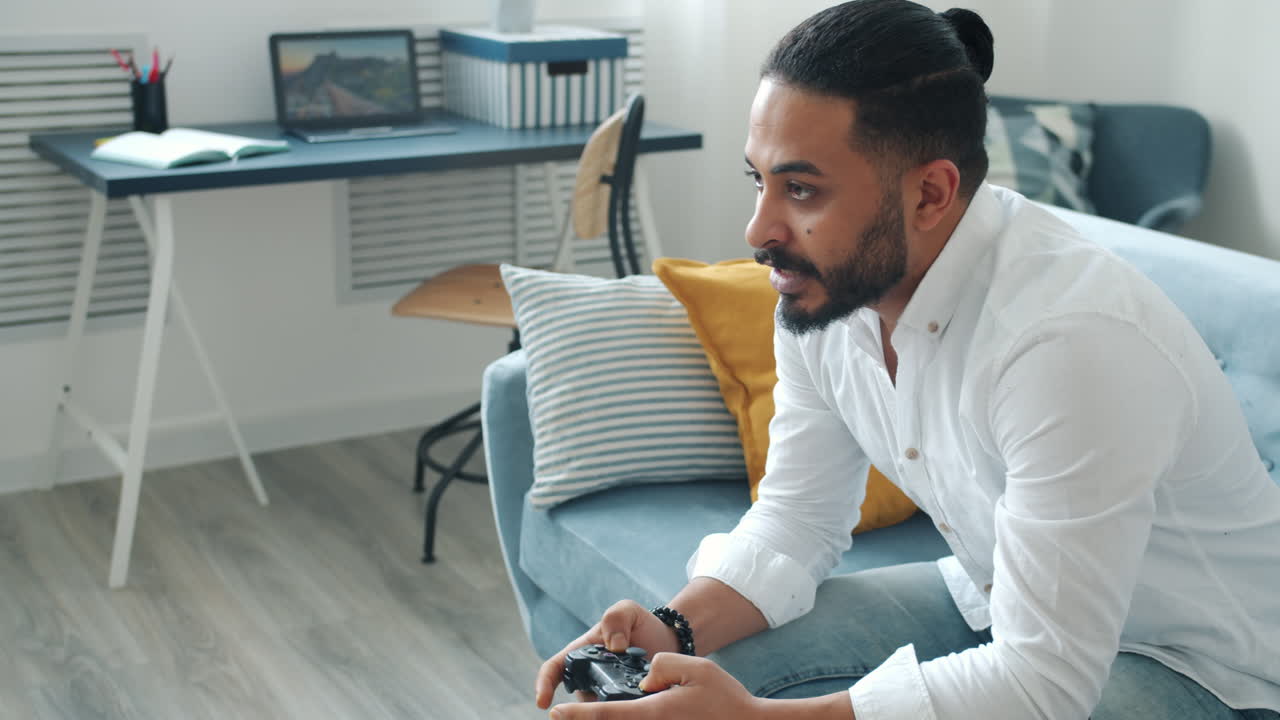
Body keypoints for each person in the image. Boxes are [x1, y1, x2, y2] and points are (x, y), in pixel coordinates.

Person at [534, 1, 1280, 718]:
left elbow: (1044, 684)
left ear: (931, 193)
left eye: (801, 189)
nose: (759, 227)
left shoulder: (1068, 343)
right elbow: (796, 520)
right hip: (999, 601)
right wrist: (673, 627)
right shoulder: (827, 300)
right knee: (690, 681)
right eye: (758, 180)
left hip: (1209, 670)